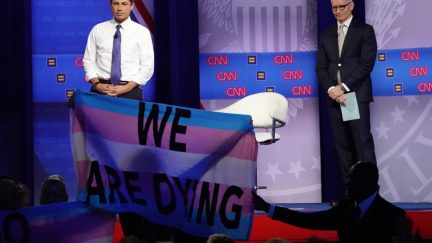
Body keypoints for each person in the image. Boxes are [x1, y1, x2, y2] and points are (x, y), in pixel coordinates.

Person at [253, 161, 408, 243]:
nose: (347, 183)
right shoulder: (345, 209)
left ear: (368, 184)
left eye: (352, 178)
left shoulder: (394, 216)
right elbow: (308, 220)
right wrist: (267, 207)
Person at [316, 0, 378, 182]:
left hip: (353, 96)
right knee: (343, 148)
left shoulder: (364, 31)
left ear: (351, 6)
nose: (337, 11)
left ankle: (370, 195)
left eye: (341, 6)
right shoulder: (326, 35)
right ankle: (350, 196)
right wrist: (331, 90)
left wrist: (342, 88)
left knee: (362, 145)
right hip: (335, 98)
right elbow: (320, 68)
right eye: (334, 7)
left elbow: (366, 65)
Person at [83, 0, 154, 101]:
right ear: (110, 5)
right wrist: (97, 84)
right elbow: (88, 60)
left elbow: (147, 65)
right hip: (100, 90)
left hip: (130, 91)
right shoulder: (98, 30)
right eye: (116, 3)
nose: (119, 8)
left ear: (132, 6)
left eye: (124, 4)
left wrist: (127, 88)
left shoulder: (142, 32)